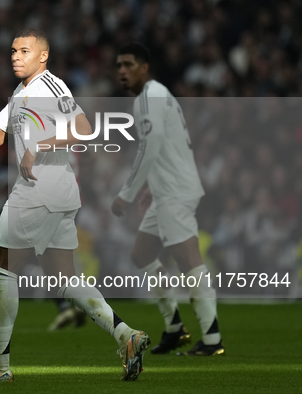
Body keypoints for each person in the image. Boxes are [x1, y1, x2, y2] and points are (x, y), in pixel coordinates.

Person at [0, 29, 150, 382]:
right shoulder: (21, 93)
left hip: (40, 189)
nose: (15, 56)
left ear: (43, 57)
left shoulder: (51, 87)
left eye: (24, 50)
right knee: (65, 278)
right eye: (12, 51)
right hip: (54, 192)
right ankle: (126, 336)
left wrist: (39, 146)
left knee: (3, 269)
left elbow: (84, 128)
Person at [111, 43, 224, 356]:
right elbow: (162, 146)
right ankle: (175, 327)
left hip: (175, 191)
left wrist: (127, 193)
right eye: (119, 65)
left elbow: (152, 144)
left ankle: (213, 340)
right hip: (166, 188)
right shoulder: (154, 96)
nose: (122, 71)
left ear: (144, 67)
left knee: (189, 261)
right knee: (142, 254)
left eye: (128, 64)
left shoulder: (150, 96)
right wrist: (151, 183)